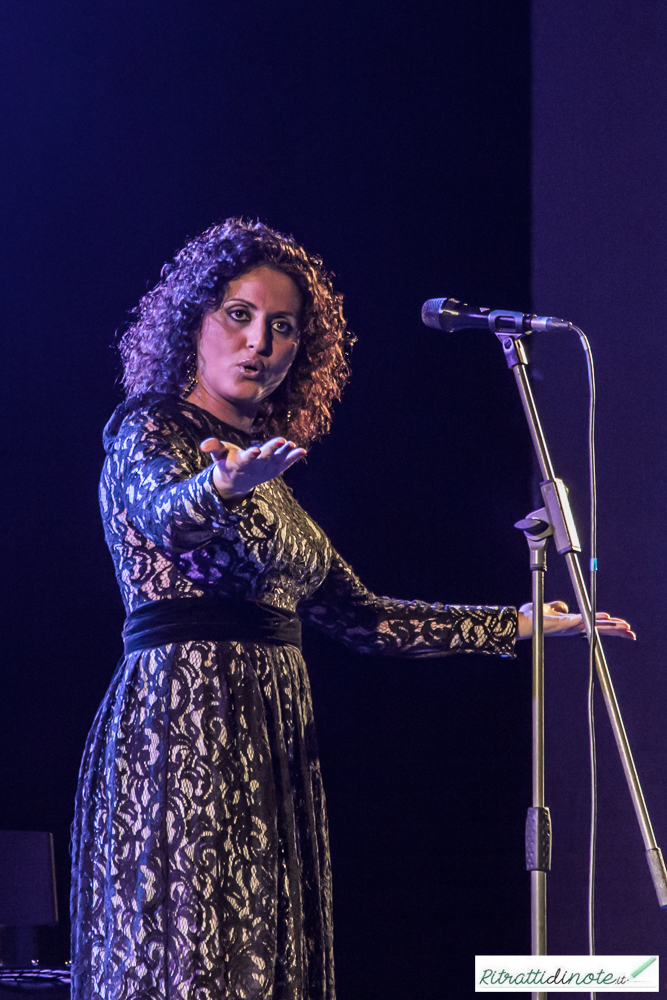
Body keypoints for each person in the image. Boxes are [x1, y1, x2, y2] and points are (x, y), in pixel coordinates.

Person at [70, 218, 634, 1000]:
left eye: (282, 328)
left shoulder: (272, 481)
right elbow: (167, 516)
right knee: (191, 964)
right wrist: (217, 488)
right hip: (183, 730)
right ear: (191, 323)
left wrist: (516, 622)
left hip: (269, 740)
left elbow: (365, 619)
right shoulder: (151, 428)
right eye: (237, 315)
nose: (258, 343)